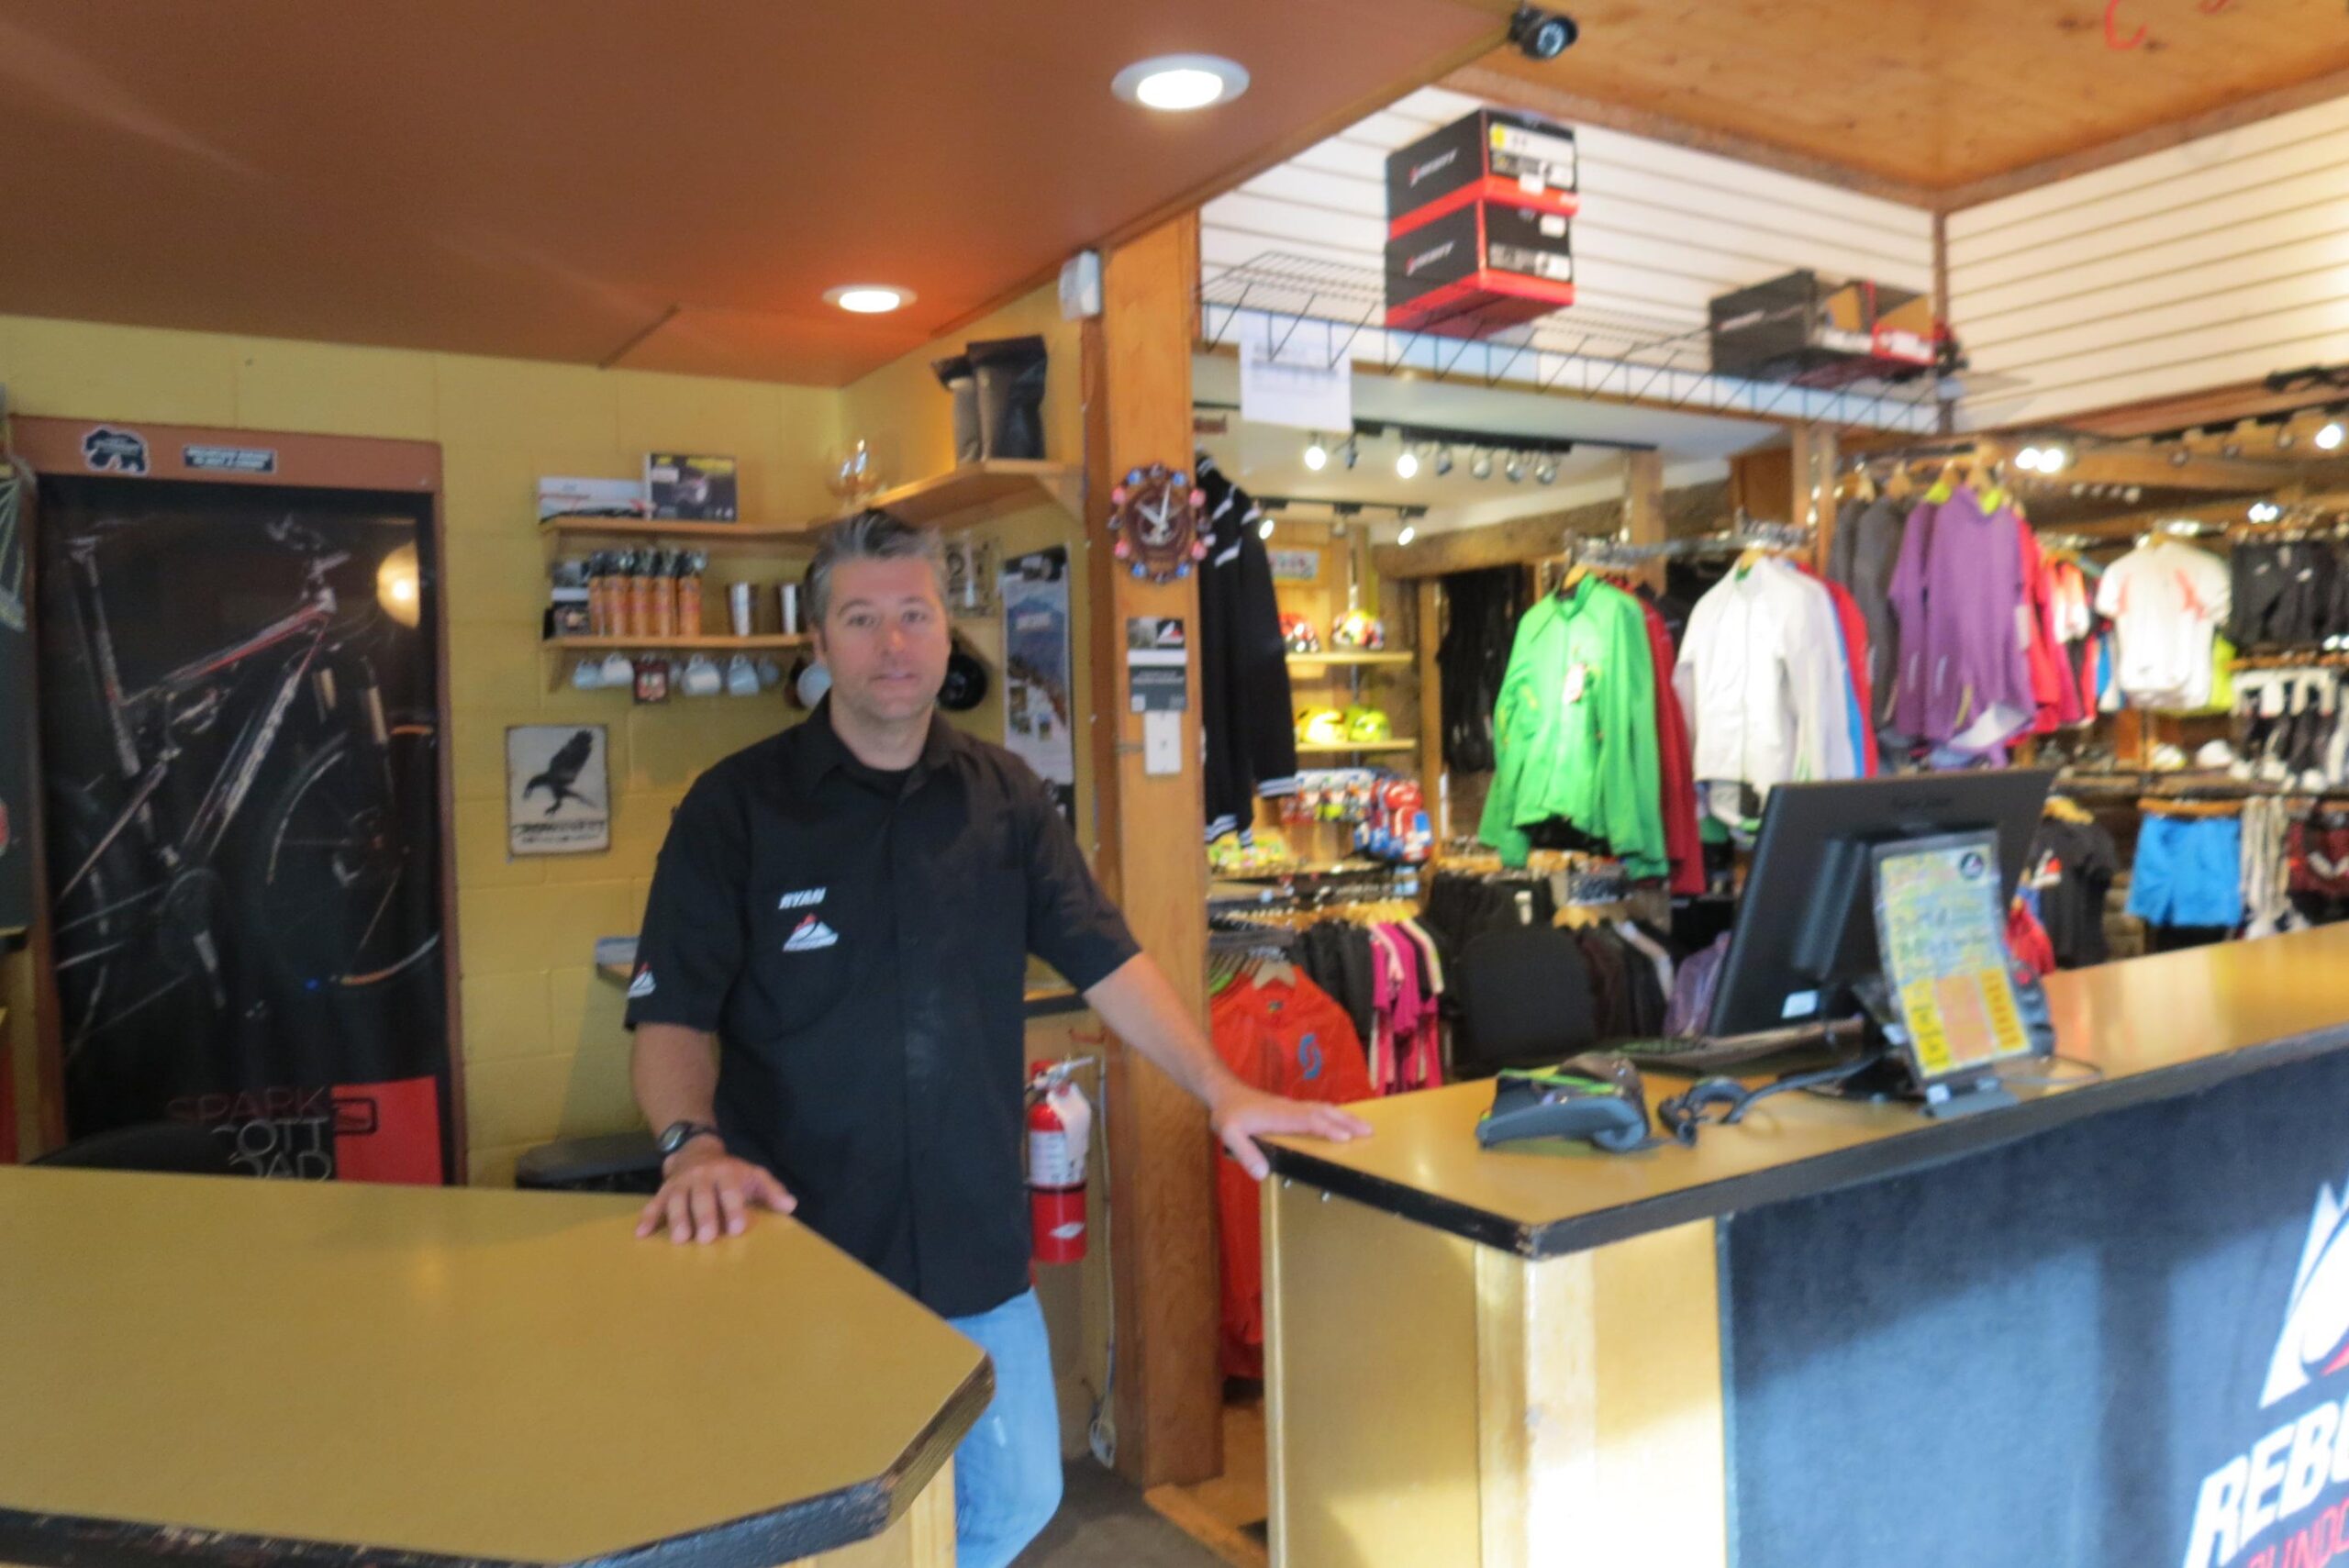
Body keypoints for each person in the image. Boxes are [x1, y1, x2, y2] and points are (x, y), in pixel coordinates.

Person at [625, 509, 1372, 1568]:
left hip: (973, 1243)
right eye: (862, 618)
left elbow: (1106, 957)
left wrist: (1221, 1086)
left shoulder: (1005, 795)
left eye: (915, 614)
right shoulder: (735, 807)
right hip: (800, 1244)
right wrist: (691, 1142)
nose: (893, 642)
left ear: (948, 633)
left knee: (1015, 1496)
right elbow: (670, 1015)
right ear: (817, 639)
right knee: (825, 1520)